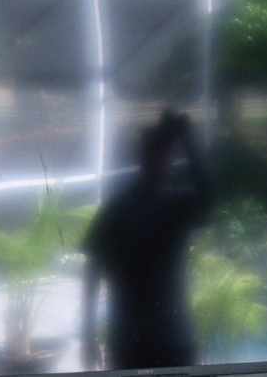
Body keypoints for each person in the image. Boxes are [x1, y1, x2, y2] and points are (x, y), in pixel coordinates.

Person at [83, 110, 214, 371]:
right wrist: (187, 141)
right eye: (160, 152)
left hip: (155, 339)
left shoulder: (170, 206)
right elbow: (92, 272)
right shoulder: (129, 209)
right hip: (151, 340)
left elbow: (92, 273)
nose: (162, 159)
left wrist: (187, 141)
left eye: (164, 152)